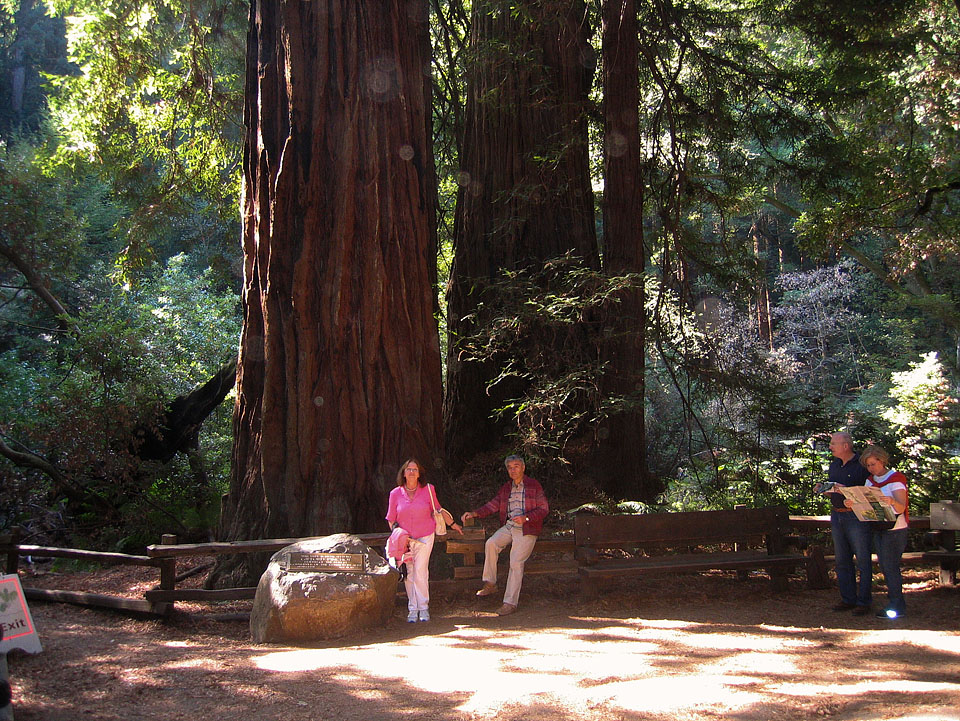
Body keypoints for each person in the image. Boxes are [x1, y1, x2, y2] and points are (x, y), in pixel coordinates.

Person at [461, 455, 549, 616]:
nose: (513, 470)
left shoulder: (533, 485)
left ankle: (510, 603)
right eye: (509, 467)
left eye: (516, 466)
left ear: (523, 468)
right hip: (510, 526)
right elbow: (493, 505)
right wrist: (474, 513)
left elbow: (544, 509)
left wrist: (526, 517)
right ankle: (490, 583)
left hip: (527, 527)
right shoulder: (506, 488)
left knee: (515, 562)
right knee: (491, 543)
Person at [386, 458, 462, 623]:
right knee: (409, 574)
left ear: (419, 473)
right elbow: (391, 518)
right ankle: (412, 609)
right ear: (403, 473)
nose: (412, 472)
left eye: (415, 469)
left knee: (420, 571)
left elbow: (438, 509)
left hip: (425, 536)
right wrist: (398, 534)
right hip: (405, 540)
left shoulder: (428, 489)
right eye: (408, 469)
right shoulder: (395, 493)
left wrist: (453, 524)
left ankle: (424, 608)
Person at [819, 432, 873, 615]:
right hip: (837, 515)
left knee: (863, 560)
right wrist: (825, 490)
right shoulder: (834, 465)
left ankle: (864, 601)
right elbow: (833, 489)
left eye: (834, 443)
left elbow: (869, 491)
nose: (830, 446)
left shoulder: (861, 465)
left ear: (846, 445)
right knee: (842, 560)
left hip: (856, 516)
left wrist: (847, 491)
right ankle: (848, 599)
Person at [860, 445, 910, 618]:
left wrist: (890, 501)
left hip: (895, 529)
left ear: (882, 461)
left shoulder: (895, 479)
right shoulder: (870, 480)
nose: (871, 468)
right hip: (879, 525)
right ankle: (895, 600)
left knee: (890, 566)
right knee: (884, 565)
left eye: (873, 464)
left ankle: (897, 604)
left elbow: (901, 506)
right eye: (868, 465)